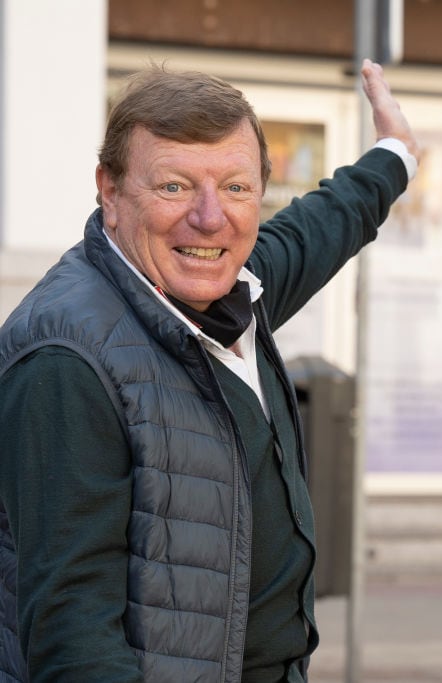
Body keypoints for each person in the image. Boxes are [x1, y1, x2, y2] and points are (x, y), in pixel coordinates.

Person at [0, 59, 419, 681]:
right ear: (109, 192)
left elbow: (318, 228)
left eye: (236, 187)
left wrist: (395, 155)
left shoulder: (234, 289)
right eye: (173, 187)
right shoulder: (67, 362)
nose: (210, 217)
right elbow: (73, 639)